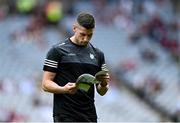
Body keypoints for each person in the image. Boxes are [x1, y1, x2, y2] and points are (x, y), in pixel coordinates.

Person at [42, 12, 110, 122]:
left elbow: (101, 91)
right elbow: (45, 84)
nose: (86, 39)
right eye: (82, 34)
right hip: (65, 115)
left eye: (90, 35)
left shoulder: (98, 54)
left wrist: (104, 83)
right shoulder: (57, 51)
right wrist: (63, 89)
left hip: (89, 116)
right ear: (74, 28)